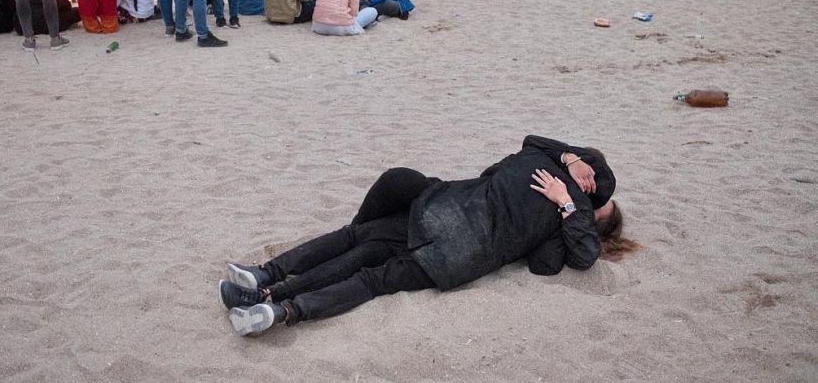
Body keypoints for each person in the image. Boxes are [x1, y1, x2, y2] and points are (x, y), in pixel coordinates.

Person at [219, 135, 638, 335]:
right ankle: (279, 310)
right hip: (458, 259)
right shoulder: (567, 213)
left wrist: (566, 160)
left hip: (439, 213)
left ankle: (266, 283)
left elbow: (505, 161)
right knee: (370, 275)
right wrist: (566, 211)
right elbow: (549, 266)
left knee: (359, 241)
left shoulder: (536, 161)